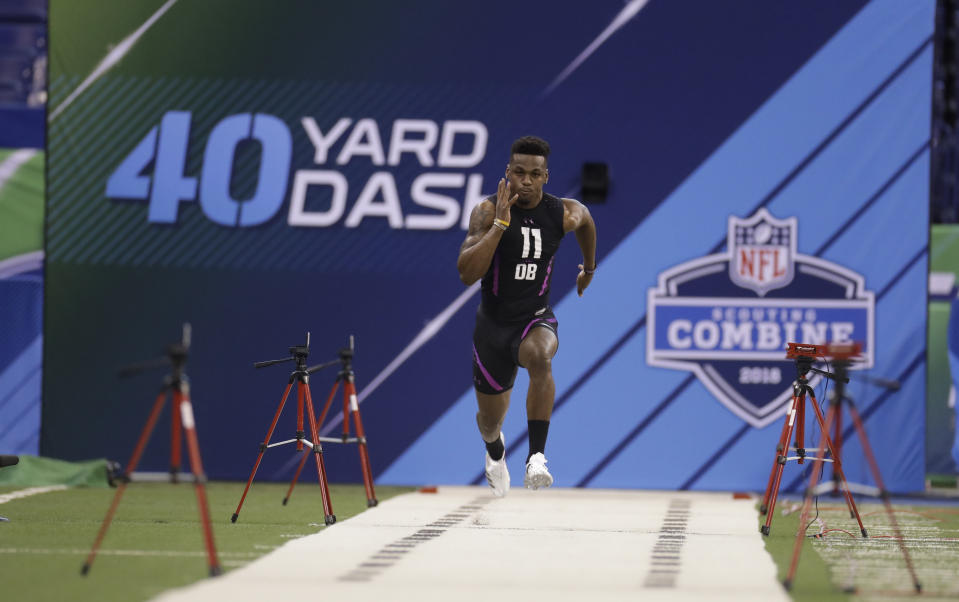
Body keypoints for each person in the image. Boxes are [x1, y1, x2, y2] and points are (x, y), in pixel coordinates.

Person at [456, 135, 597, 497]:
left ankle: (537, 457)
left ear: (545, 176)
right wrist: (501, 226)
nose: (527, 181)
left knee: (540, 355)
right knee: (489, 423)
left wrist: (589, 268)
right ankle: (495, 451)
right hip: (492, 329)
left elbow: (586, 220)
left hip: (535, 318)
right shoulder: (487, 212)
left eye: (535, 173)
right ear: (508, 173)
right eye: (519, 172)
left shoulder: (560, 212)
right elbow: (467, 274)